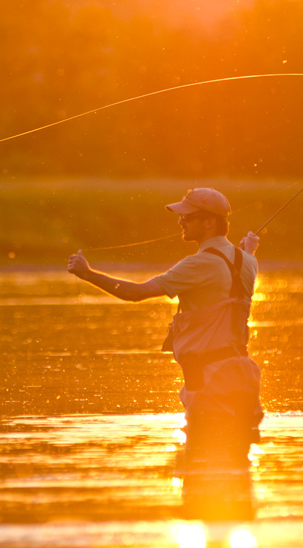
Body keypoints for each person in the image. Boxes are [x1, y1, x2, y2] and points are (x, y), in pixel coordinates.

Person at [67, 187, 263, 468]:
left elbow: (135, 292)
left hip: (209, 380)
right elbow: (232, 273)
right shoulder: (249, 262)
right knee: (237, 466)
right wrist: (246, 250)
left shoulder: (196, 265)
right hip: (243, 376)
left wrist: (88, 274)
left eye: (188, 217)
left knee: (202, 464)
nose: (181, 222)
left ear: (209, 222)